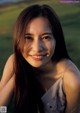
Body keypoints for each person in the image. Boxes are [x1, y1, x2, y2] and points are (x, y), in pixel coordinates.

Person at [0, 4, 80, 113]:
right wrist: (16, 76)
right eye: (28, 38)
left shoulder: (72, 79)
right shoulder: (15, 62)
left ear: (57, 39)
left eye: (46, 37)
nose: (37, 48)